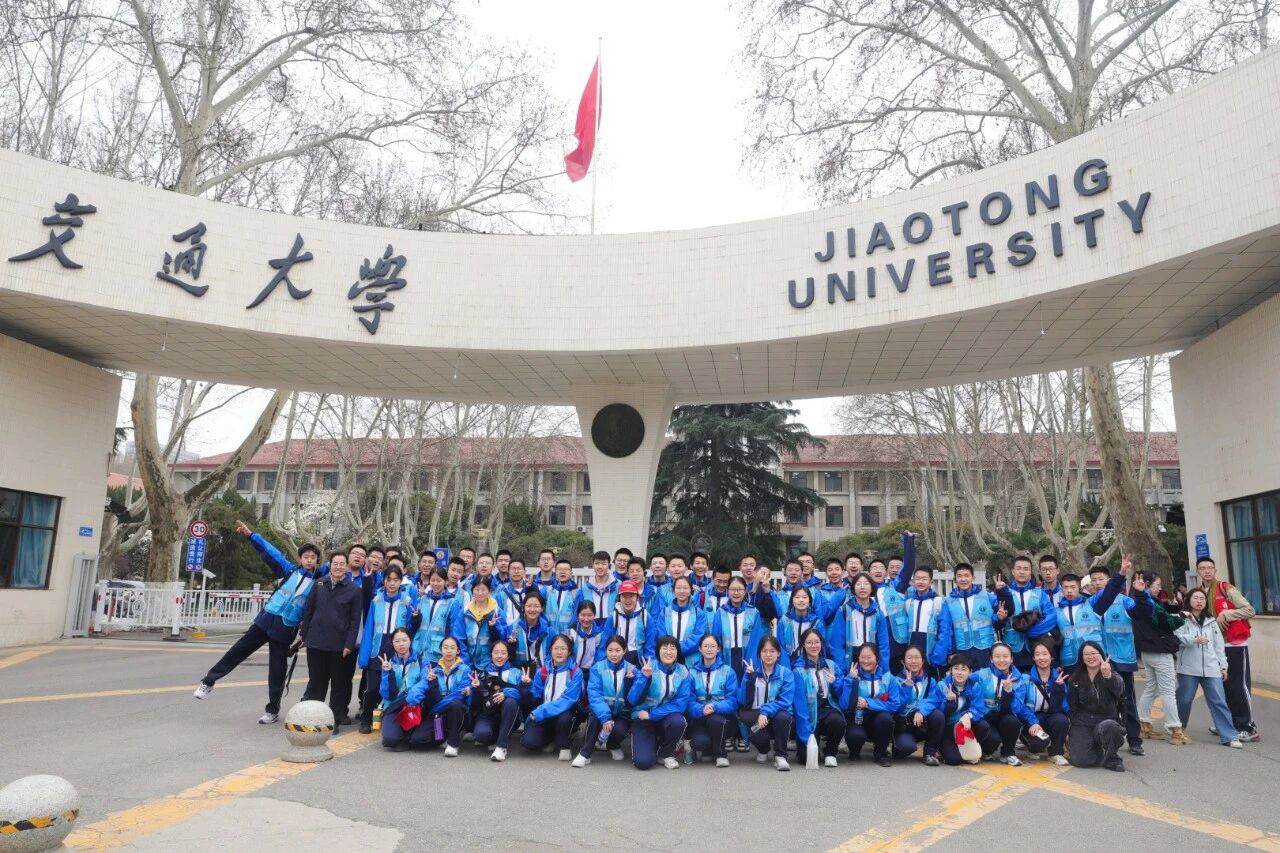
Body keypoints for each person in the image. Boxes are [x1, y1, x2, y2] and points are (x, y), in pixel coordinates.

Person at [194, 520, 321, 724]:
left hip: (285, 628)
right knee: (237, 651)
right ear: (300, 559)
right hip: (265, 620)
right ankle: (208, 681)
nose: (309, 560)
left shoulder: (319, 582)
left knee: (277, 671)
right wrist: (251, 535)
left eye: (313, 558)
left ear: (317, 561)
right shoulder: (289, 571)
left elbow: (340, 567)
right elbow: (273, 553)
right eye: (306, 557)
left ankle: (272, 710)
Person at [297, 552, 362, 731]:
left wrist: (349, 644)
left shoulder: (354, 590)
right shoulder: (319, 584)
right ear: (330, 565)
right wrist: (304, 635)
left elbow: (355, 620)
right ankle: (313, 718)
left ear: (346, 566)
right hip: (316, 642)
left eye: (342, 564)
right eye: (335, 563)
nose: (338, 567)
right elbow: (308, 611)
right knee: (316, 683)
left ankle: (334, 721)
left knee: (338, 685)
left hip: (339, 646)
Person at [1196, 557, 1258, 741]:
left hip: (1234, 644)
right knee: (1222, 686)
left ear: (1215, 570)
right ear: (1198, 572)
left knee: (1238, 686)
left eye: (1210, 567)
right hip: (1215, 646)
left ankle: (1248, 726)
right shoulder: (1199, 592)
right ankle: (1228, 724)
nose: (1207, 571)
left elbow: (1250, 610)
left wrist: (1227, 613)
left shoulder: (1226, 588)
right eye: (1203, 568)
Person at [1175, 589, 1242, 748]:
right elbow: (1176, 638)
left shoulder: (1211, 621)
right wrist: (1194, 639)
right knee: (1184, 700)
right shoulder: (1181, 618)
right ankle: (1177, 729)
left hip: (1211, 668)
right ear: (1188, 600)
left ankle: (1229, 736)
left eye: (1202, 598)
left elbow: (1219, 646)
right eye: (1196, 598)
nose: (1199, 601)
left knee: (1219, 701)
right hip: (1188, 668)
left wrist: (1223, 666)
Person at [1088, 560, 1143, 755]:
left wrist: (1142, 594)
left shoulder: (1125, 601)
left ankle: (1135, 740)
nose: (1097, 583)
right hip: (1100, 660)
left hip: (1123, 659)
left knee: (1127, 700)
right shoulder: (1090, 603)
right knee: (1103, 701)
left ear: (1109, 580)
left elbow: (1142, 612)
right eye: (1094, 580)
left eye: (1101, 579)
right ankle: (1108, 738)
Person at [1130, 569, 1189, 745]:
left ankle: (1144, 723)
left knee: (1152, 688)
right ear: (1147, 585)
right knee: (1168, 691)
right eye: (1157, 585)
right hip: (1160, 651)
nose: (1159, 588)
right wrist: (1182, 616)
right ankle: (1175, 729)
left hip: (1147, 652)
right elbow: (1167, 623)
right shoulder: (1150, 603)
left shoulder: (1134, 601)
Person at [356, 566, 416, 733]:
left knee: (395, 687)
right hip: (378, 648)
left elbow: (412, 627)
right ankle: (366, 719)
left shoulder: (407, 601)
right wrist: (364, 656)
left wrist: (416, 619)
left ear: (400, 581)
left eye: (396, 580)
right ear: (384, 581)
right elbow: (369, 629)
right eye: (389, 579)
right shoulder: (376, 600)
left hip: (398, 648)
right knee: (373, 689)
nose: (392, 583)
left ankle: (391, 719)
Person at [628, 636, 693, 770]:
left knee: (679, 722)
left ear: (677, 652)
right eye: (664, 648)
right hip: (642, 717)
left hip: (663, 716)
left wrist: (652, 714)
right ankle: (651, 745)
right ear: (658, 651)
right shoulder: (648, 667)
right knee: (643, 763)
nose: (668, 652)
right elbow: (632, 699)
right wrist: (644, 678)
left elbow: (680, 704)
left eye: (672, 648)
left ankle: (665, 754)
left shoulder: (683, 672)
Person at [914, 653, 988, 766]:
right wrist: (921, 711)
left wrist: (968, 715)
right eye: (956, 668)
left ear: (970, 672)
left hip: (964, 728)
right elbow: (931, 701)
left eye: (964, 669)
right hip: (947, 729)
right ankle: (939, 747)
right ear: (951, 670)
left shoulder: (975, 687)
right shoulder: (943, 685)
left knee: (983, 725)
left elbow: (979, 708)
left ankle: (969, 748)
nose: (959, 672)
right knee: (953, 760)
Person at [837, 642, 904, 767]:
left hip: (878, 719)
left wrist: (869, 703)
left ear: (877, 658)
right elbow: (844, 705)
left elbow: (894, 704)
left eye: (869, 657)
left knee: (886, 719)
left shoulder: (888, 678)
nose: (866, 661)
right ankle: (855, 751)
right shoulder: (853, 675)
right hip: (857, 718)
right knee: (856, 736)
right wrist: (850, 680)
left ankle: (880, 754)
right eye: (862, 657)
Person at [574, 635, 637, 767]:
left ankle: (613, 745)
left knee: (620, 730)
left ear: (624, 651)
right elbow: (594, 695)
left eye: (618, 650)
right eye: (610, 650)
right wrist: (605, 717)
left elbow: (636, 695)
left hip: (621, 713)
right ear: (605, 650)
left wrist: (635, 681)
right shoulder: (597, 667)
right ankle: (585, 753)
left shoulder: (632, 669)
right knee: (594, 718)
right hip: (601, 711)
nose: (614, 654)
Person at [520, 634, 584, 761]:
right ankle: (552, 738)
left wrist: (541, 711)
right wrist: (526, 686)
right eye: (556, 648)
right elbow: (535, 696)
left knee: (564, 719)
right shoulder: (542, 671)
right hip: (546, 714)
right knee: (528, 742)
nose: (559, 652)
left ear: (569, 652)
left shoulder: (575, 672)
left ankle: (565, 744)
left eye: (563, 649)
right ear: (550, 650)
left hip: (566, 713)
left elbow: (569, 700)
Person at [737, 636, 795, 771]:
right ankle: (763, 750)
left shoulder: (785, 673)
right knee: (754, 733)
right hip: (757, 716)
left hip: (776, 714)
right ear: (759, 654)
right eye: (764, 651)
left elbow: (785, 701)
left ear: (778, 653)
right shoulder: (753, 672)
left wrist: (765, 711)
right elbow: (742, 701)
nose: (768, 655)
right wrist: (748, 679)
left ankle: (780, 755)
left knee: (784, 717)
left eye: (772, 651)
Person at [973, 642, 1038, 766]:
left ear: (1012, 659)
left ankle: (1008, 753)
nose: (1001, 660)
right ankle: (987, 751)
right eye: (997, 656)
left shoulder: (1018, 679)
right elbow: (963, 680)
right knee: (992, 740)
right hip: (985, 717)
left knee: (1013, 721)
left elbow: (1016, 708)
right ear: (991, 659)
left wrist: (1008, 692)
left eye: (1005, 656)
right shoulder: (982, 674)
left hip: (1005, 715)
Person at [1067, 641, 1127, 771]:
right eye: (1086, 654)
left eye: (1094, 653)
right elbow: (1072, 706)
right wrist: (1072, 729)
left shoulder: (1111, 674)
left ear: (1101, 655)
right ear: (1082, 657)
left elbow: (1120, 689)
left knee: (1110, 727)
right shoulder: (1075, 679)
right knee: (1082, 761)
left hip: (1106, 720)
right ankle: (1096, 749)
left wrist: (1107, 676)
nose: (1090, 657)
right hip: (1083, 722)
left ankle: (1112, 759)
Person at [931, 563, 1001, 671]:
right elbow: (946, 630)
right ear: (955, 579)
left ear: (973, 578)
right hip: (962, 650)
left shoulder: (986, 596)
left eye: (966, 575)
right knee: (965, 679)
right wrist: (950, 652)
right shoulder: (948, 602)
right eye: (959, 576)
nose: (963, 579)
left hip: (985, 649)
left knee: (985, 678)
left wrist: (1002, 591)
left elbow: (1003, 610)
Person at [792, 628, 844, 768]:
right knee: (805, 759)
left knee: (837, 720)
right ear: (803, 645)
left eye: (816, 642)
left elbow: (842, 694)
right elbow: (799, 705)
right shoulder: (798, 670)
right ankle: (809, 740)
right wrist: (806, 734)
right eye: (809, 642)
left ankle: (831, 752)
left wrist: (835, 683)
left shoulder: (831, 665)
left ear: (821, 643)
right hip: (808, 712)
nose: (813, 646)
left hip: (827, 708)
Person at [686, 633, 739, 767]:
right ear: (700, 649)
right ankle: (709, 748)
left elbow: (732, 701)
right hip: (700, 717)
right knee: (699, 743)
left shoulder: (728, 671)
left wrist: (714, 707)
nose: (709, 649)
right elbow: (689, 701)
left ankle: (720, 754)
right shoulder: (692, 673)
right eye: (706, 646)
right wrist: (701, 709)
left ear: (718, 648)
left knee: (716, 721)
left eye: (712, 646)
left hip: (722, 717)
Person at [470, 639, 524, 762]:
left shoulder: (516, 672)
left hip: (508, 714)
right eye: (496, 652)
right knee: (481, 735)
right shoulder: (483, 673)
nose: (499, 656)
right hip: (488, 715)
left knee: (511, 702)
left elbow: (524, 696)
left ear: (508, 656)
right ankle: (496, 737)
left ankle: (501, 746)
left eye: (503, 653)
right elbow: (477, 703)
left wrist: (506, 692)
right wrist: (477, 688)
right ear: (491, 654)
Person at [1001, 555, 1058, 670]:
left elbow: (1051, 616)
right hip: (1011, 646)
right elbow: (996, 619)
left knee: (1036, 677)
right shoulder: (1005, 593)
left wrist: (1033, 631)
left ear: (1031, 571)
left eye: (1026, 569)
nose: (1022, 572)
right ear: (1013, 571)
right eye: (1019, 568)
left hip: (1036, 645)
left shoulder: (1040, 593)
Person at [829, 571, 890, 674]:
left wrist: (883, 669)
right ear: (853, 588)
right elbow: (837, 644)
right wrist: (841, 669)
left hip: (872, 659)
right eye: (858, 584)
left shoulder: (878, 613)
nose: (862, 587)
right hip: (851, 658)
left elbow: (884, 644)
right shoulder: (844, 611)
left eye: (866, 584)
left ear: (872, 588)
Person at [377, 628, 428, 751]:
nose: (401, 644)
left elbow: (425, 683)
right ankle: (402, 735)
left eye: (404, 640)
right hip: (394, 706)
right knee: (390, 740)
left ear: (410, 641)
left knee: (419, 739)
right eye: (397, 641)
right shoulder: (389, 663)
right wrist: (387, 673)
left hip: (414, 705)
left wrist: (412, 696)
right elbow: (387, 695)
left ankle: (408, 736)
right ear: (392, 644)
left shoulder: (422, 661)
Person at [1022, 639, 1070, 765]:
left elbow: (1062, 707)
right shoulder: (1025, 679)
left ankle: (1055, 753)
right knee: (1039, 743)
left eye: (1045, 654)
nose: (1041, 658)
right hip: (1032, 718)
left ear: (1052, 657)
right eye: (1037, 654)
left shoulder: (1059, 678)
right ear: (1033, 657)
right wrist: (1033, 722)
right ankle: (1034, 747)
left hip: (1050, 716)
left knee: (1062, 720)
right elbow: (1021, 706)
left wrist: (1058, 689)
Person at [425, 636, 472, 757]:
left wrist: (436, 708)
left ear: (458, 651)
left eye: (452, 648)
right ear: (440, 650)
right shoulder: (434, 671)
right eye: (445, 647)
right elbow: (432, 698)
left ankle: (453, 744)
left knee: (455, 703)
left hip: (459, 712)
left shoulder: (465, 669)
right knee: (419, 739)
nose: (449, 651)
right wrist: (432, 683)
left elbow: (460, 694)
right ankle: (443, 736)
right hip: (439, 714)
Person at [650, 576, 707, 665]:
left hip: (692, 660)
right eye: (678, 588)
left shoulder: (698, 613)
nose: (682, 591)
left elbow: (698, 637)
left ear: (691, 590)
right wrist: (671, 650)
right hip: (668, 657)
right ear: (673, 590)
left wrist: (676, 648)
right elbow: (661, 635)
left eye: (685, 588)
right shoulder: (664, 612)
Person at [451, 576, 504, 670]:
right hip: (468, 662)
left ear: (489, 591)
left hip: (490, 663)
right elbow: (459, 638)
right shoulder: (465, 611)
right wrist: (465, 662)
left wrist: (494, 627)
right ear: (472, 591)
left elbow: (503, 637)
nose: (480, 593)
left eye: (483, 590)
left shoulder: (497, 611)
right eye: (477, 589)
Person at [892, 646, 936, 759]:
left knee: (938, 716)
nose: (914, 661)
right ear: (903, 661)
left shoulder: (930, 680)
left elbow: (933, 701)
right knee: (906, 748)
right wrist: (907, 688)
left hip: (921, 722)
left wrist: (920, 711)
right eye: (909, 658)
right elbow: (896, 707)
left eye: (917, 657)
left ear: (923, 660)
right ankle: (898, 743)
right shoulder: (896, 681)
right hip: (904, 724)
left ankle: (929, 753)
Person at [1055, 573, 1102, 669]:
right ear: (1062, 589)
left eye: (1073, 587)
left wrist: (1121, 574)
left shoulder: (1090, 604)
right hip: (1068, 658)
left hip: (1091, 657)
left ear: (1079, 588)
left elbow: (1109, 592)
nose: (1069, 590)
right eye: (1065, 587)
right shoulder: (1056, 611)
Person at [412, 569, 458, 660]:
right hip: (418, 650)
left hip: (437, 653)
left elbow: (453, 630)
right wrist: (415, 618)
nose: (435, 583)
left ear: (446, 581)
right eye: (432, 580)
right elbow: (414, 626)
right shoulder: (422, 599)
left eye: (439, 580)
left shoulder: (452, 602)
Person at [903, 565, 942, 674]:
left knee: (931, 677)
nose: (920, 582)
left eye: (924, 579)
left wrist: (939, 652)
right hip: (912, 644)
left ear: (931, 582)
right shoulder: (908, 603)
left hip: (930, 646)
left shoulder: (938, 602)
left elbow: (944, 630)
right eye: (918, 579)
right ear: (913, 581)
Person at [774, 585, 824, 667]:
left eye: (804, 597)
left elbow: (821, 649)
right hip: (788, 665)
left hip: (809, 667)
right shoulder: (784, 621)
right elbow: (781, 647)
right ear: (792, 601)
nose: (801, 600)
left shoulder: (816, 623)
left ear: (809, 601)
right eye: (797, 597)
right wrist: (787, 669)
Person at [604, 580, 652, 664]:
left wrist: (648, 663)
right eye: (624, 596)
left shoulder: (645, 616)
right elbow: (605, 643)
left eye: (631, 596)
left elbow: (650, 645)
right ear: (620, 598)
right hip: (617, 658)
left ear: (637, 597)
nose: (628, 600)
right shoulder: (613, 616)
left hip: (638, 660)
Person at [508, 591, 550, 671]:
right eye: (529, 606)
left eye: (536, 606)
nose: (532, 609)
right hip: (519, 672)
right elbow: (508, 657)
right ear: (523, 607)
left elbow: (551, 657)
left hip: (542, 673)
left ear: (542, 608)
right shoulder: (513, 628)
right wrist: (512, 646)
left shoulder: (549, 631)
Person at [580, 550, 619, 623]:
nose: (600, 567)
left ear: (609, 566)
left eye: (604, 564)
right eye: (597, 563)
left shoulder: (617, 585)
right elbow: (578, 610)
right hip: (591, 625)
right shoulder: (585, 587)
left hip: (612, 625)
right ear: (593, 565)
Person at [543, 558, 580, 635]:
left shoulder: (576, 593)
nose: (562, 572)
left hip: (568, 635)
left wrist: (570, 633)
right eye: (559, 569)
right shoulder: (547, 590)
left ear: (571, 573)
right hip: (548, 634)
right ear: (555, 573)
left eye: (566, 569)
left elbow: (577, 617)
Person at [567, 600, 606, 670]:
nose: (586, 619)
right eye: (583, 615)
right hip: (574, 670)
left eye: (590, 615)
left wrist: (595, 667)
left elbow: (599, 654)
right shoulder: (571, 632)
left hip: (592, 670)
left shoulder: (598, 634)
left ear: (594, 615)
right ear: (577, 615)